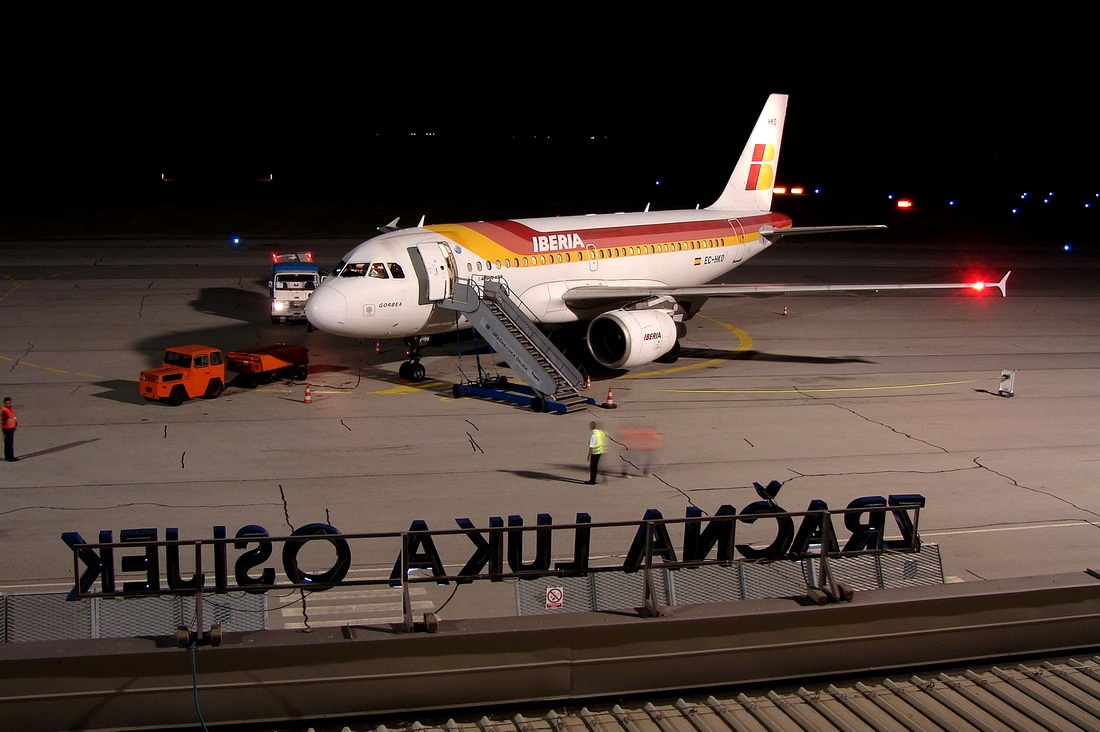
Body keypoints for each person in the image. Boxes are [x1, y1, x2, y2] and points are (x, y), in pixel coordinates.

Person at [586, 420, 608, 485]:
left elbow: (591, 446)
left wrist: (589, 455)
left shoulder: (593, 435)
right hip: (601, 451)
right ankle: (600, 477)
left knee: (593, 467)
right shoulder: (600, 432)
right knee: (596, 466)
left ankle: (592, 480)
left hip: (595, 452)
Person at [2, 397, 17, 462]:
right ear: (5, 403)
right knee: (9, 444)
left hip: (11, 428)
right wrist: (4, 430)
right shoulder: (4, 410)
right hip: (7, 429)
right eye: (7, 403)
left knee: (8, 443)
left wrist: (15, 425)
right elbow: (3, 421)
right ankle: (10, 457)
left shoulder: (9, 409)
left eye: (10, 402)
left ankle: (7, 456)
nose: (9, 404)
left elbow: (12, 418)